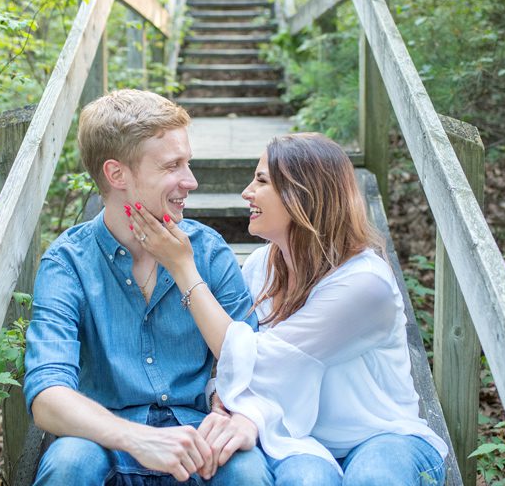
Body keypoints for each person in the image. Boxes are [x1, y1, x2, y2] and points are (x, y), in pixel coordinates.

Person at [128, 132, 448, 486]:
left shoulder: (365, 284)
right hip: (296, 437)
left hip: (383, 435)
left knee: (372, 477)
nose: (246, 192)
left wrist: (183, 268)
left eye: (261, 181)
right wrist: (224, 397)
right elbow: (241, 367)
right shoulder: (262, 264)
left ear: (302, 194)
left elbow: (259, 359)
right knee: (305, 480)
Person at [23, 89, 273, 486]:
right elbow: (47, 395)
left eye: (187, 163)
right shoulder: (68, 262)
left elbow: (255, 365)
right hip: (105, 436)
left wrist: (233, 418)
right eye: (172, 166)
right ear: (117, 174)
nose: (190, 181)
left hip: (199, 434)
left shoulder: (208, 251)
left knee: (249, 471)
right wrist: (137, 439)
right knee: (69, 462)